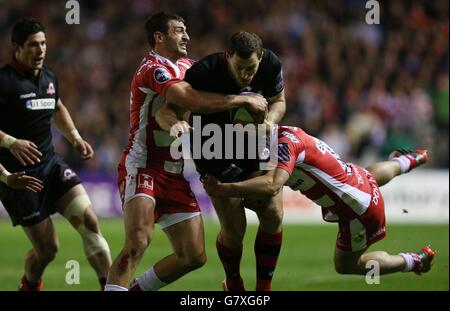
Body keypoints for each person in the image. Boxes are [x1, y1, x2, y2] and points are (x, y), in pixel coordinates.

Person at [106, 13, 268, 291]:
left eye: (186, 30)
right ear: (159, 37)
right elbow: (186, 99)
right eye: (179, 31)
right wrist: (242, 99)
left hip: (175, 171)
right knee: (138, 242)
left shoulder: (189, 66)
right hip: (144, 164)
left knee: (193, 255)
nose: (187, 36)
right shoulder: (153, 68)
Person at [203, 125, 436, 276]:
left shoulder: (284, 148)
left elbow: (271, 186)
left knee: (346, 266)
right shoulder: (287, 132)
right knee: (368, 175)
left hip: (361, 213)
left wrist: (224, 190)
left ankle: (414, 260)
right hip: (358, 180)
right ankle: (410, 160)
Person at [156, 31, 286, 291]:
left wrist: (270, 122)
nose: (246, 75)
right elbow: (166, 110)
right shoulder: (204, 72)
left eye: (251, 69)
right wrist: (175, 125)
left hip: (252, 145)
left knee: (272, 213)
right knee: (235, 230)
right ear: (228, 57)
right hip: (212, 149)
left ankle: (264, 289)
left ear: (260, 58)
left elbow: (278, 101)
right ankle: (233, 283)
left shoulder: (271, 64)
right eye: (240, 68)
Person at [0, 18, 112, 291]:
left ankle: (111, 288)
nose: (40, 50)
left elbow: (57, 106)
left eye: (43, 44)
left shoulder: (49, 77)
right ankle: (30, 284)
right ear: (16, 47)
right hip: (20, 178)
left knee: (90, 222)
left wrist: (74, 137)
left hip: (51, 165)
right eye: (32, 45)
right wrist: (10, 142)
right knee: (48, 250)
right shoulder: (4, 82)